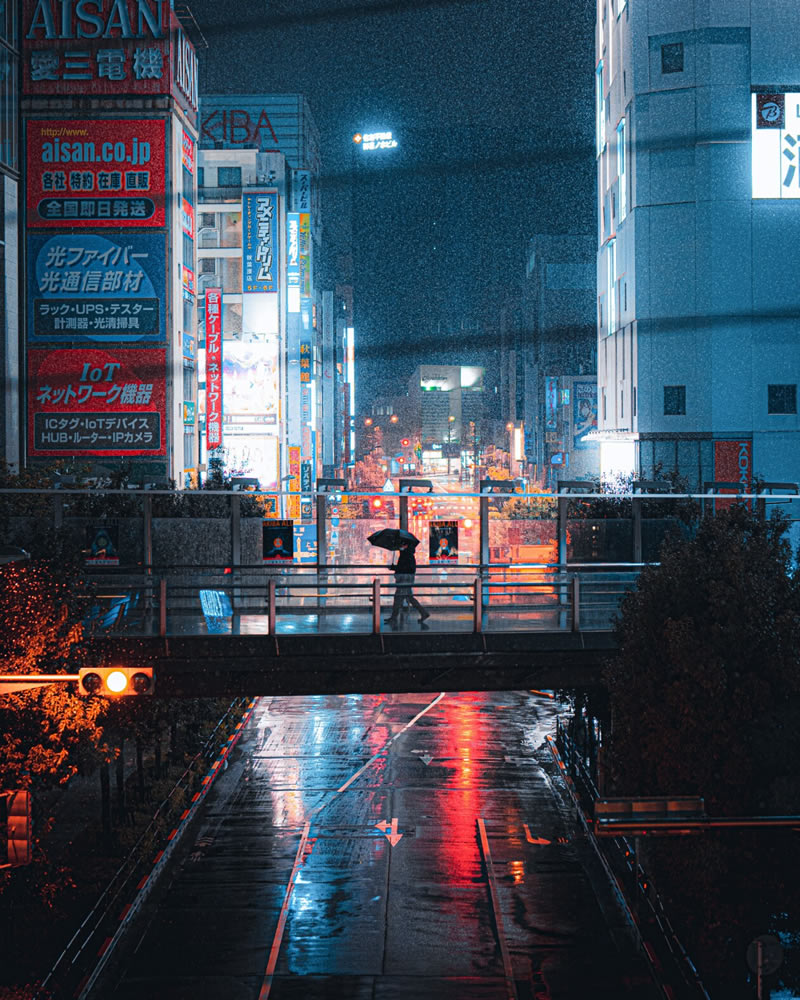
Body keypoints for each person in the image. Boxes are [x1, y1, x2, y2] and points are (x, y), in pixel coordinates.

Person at [385, 541, 430, 625]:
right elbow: (404, 567)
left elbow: (406, 568)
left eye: (402, 544)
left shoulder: (407, 555)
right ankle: (423, 613)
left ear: (406, 545)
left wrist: (395, 568)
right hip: (405, 579)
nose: (400, 546)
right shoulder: (406, 554)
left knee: (398, 598)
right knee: (409, 598)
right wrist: (395, 567)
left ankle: (394, 617)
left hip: (404, 580)